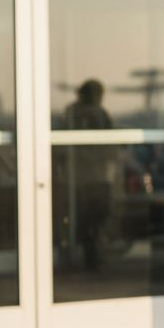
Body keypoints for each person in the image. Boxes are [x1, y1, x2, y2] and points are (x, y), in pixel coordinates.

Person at [60, 79, 115, 271]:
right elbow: (110, 146)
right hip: (95, 178)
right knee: (95, 220)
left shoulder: (70, 113)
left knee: (84, 221)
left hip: (79, 177)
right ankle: (93, 260)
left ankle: (88, 259)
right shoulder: (98, 114)